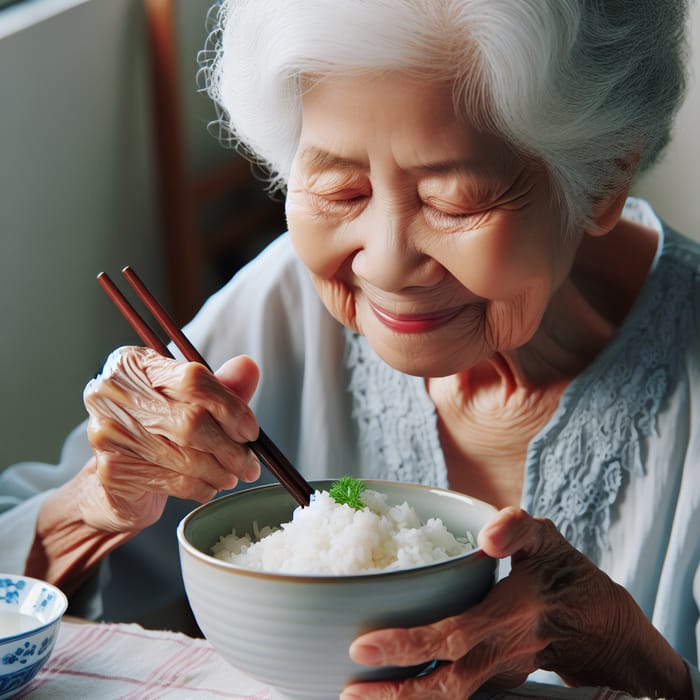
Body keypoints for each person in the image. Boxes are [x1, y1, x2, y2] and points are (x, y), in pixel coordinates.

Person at [1, 0, 699, 697]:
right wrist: (98, 501)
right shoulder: (288, 299)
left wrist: (628, 654)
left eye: (454, 202)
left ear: (603, 178)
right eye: (340, 189)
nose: (386, 266)